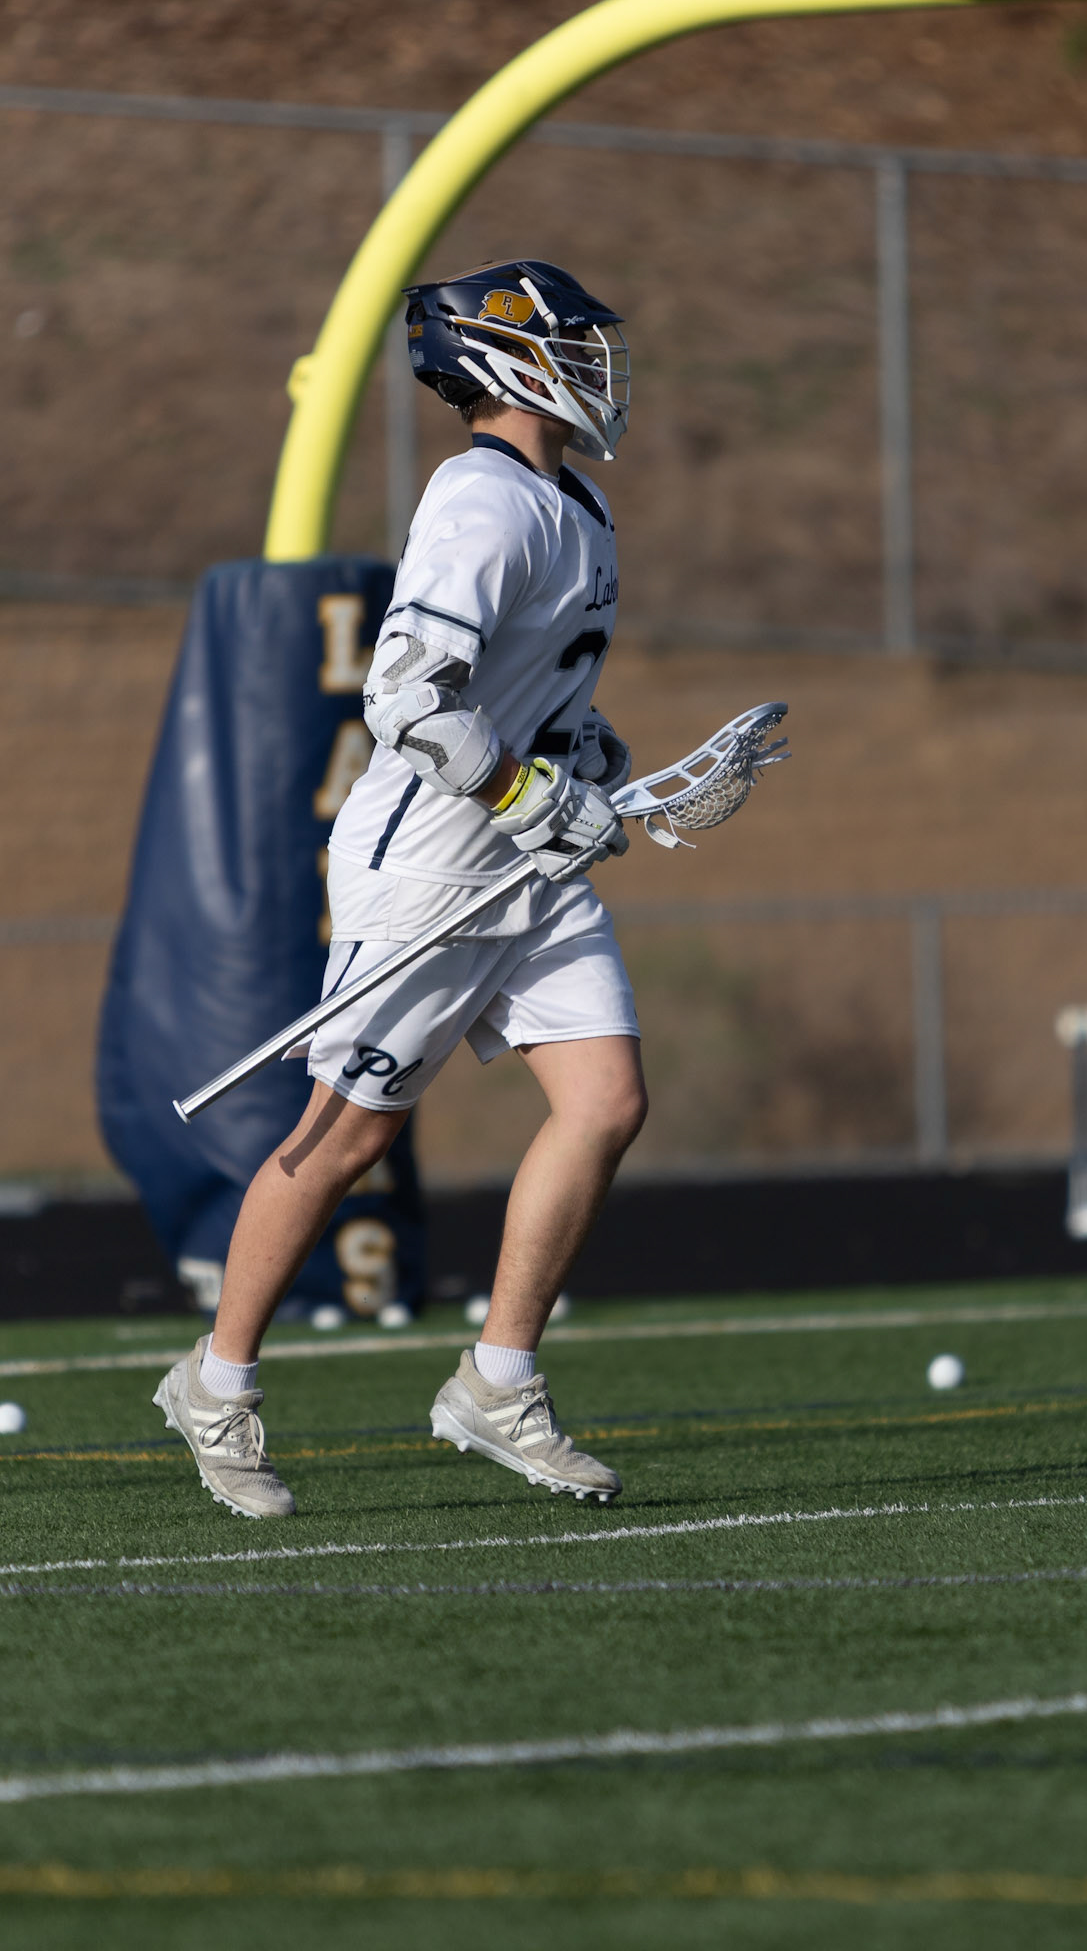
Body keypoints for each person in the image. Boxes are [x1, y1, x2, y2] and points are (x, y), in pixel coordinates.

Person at [154, 260, 647, 1521]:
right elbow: (408, 696)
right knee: (348, 1137)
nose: (593, 365)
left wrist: (591, 760)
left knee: (605, 1100)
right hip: (431, 865)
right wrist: (528, 792)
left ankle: (498, 1379)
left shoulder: (579, 501)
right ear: (502, 363)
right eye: (569, 345)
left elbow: (531, 693)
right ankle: (216, 1381)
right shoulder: (483, 498)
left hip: (525, 867)